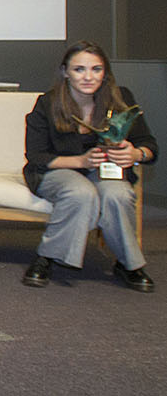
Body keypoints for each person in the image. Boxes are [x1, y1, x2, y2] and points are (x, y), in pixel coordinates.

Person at [21, 41, 155, 292]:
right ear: (65, 72)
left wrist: (136, 154)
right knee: (80, 192)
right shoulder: (47, 104)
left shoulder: (121, 98)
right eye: (79, 69)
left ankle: (129, 265)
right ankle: (46, 258)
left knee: (117, 194)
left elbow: (149, 146)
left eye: (96, 69)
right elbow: (36, 156)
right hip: (58, 170)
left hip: (105, 172)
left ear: (105, 72)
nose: (88, 77)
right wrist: (81, 161)